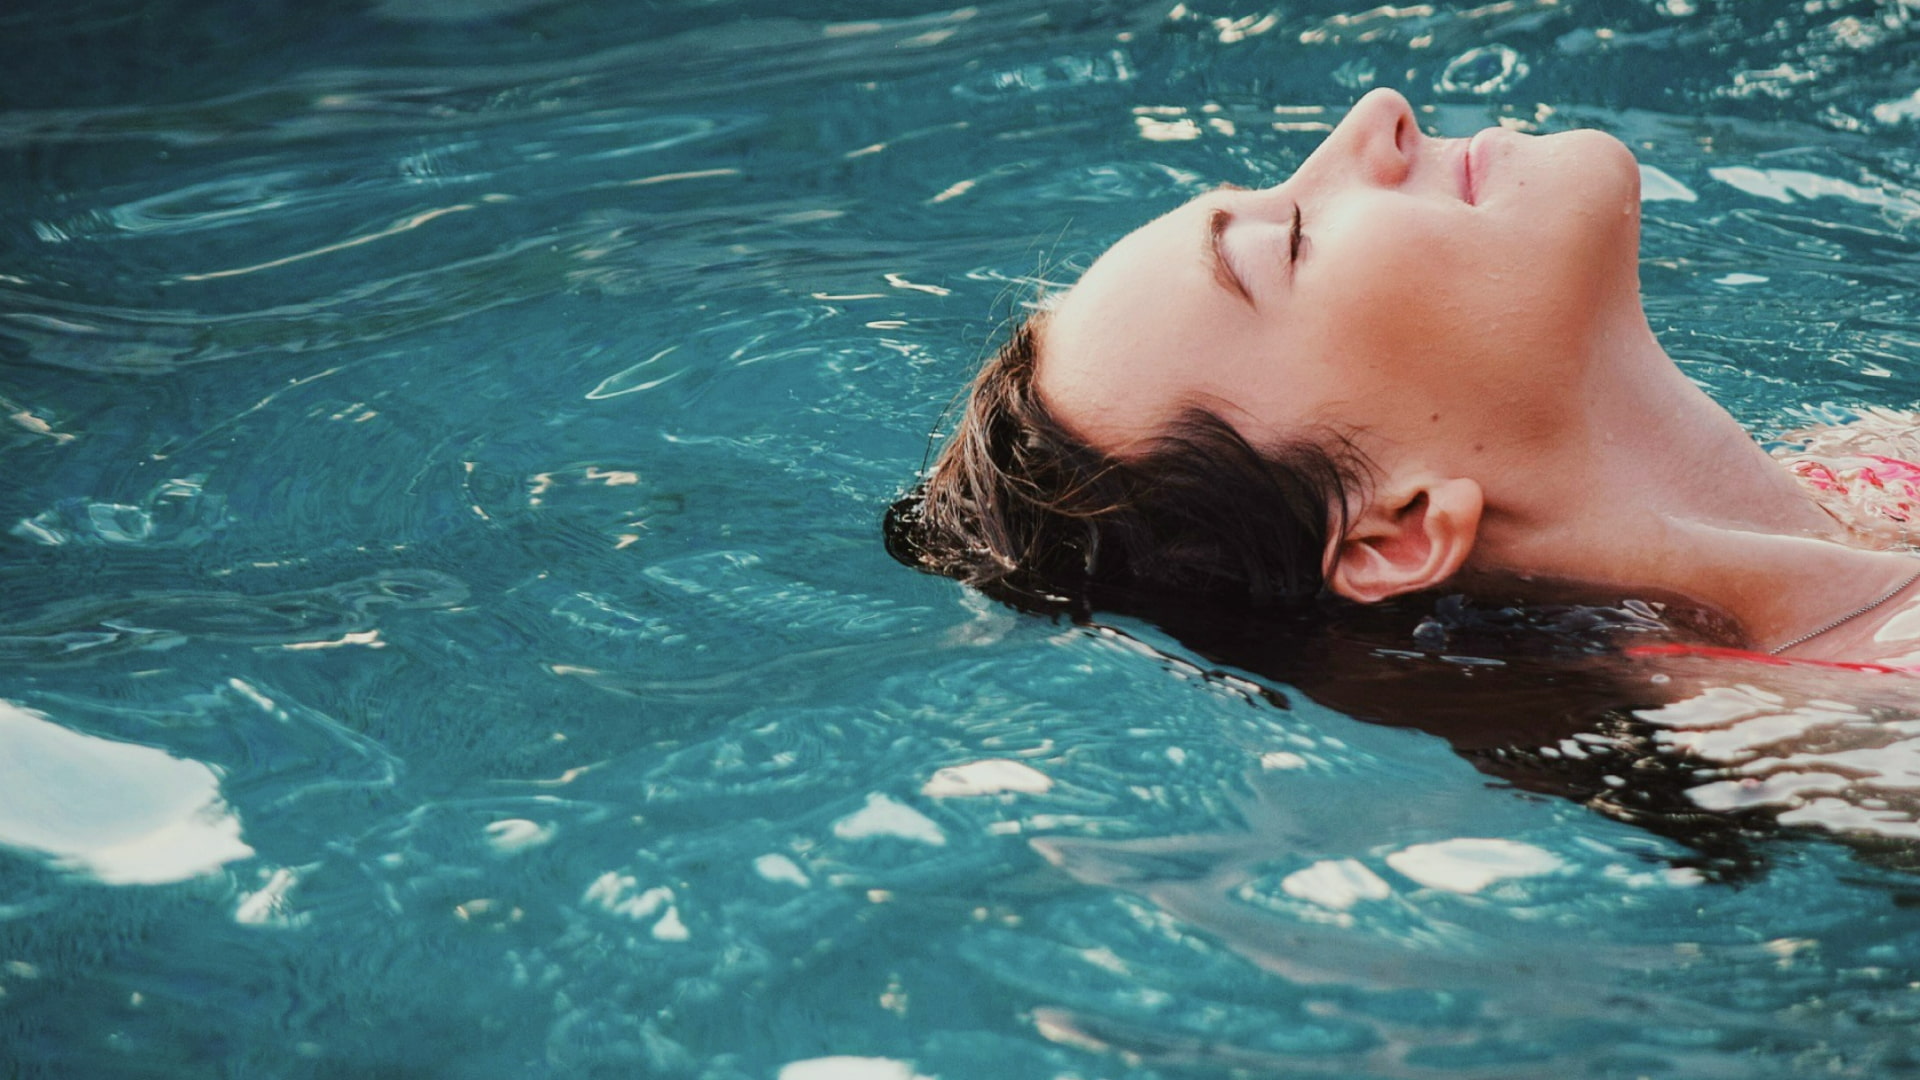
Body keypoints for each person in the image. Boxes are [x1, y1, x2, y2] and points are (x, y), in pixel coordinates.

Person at [885, 87, 1920, 668]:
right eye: (1287, 243)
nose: (1374, 118)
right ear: (1397, 531)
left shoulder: (1866, 476)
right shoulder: (1857, 730)